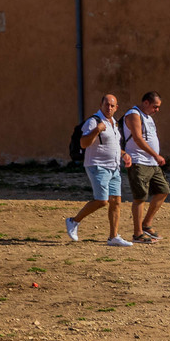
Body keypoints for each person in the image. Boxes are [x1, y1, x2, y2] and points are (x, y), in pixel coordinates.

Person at [66, 94, 134, 247]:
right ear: (101, 104)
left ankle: (113, 237)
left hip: (114, 167)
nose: (109, 108)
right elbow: (83, 143)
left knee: (116, 202)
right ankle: (73, 221)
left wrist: (124, 155)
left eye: (112, 106)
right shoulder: (93, 121)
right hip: (97, 165)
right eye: (106, 105)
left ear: (116, 108)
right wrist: (97, 130)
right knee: (102, 200)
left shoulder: (114, 123)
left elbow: (114, 146)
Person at [123, 92, 169, 243]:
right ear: (146, 103)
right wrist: (156, 155)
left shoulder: (148, 117)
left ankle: (147, 224)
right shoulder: (133, 114)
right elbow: (137, 138)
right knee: (140, 197)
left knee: (163, 191)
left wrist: (154, 158)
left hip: (152, 163)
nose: (157, 110)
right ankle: (137, 234)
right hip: (139, 161)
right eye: (155, 106)